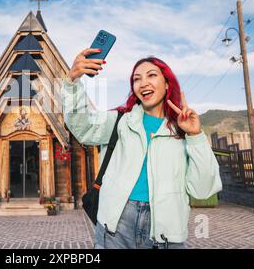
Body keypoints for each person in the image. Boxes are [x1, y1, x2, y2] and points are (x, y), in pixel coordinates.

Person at [61, 49, 222, 249]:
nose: (143, 82)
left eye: (152, 75)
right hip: (116, 226)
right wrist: (72, 82)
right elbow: (81, 126)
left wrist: (196, 136)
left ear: (167, 83)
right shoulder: (120, 121)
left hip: (165, 233)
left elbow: (203, 189)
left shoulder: (185, 132)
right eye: (137, 79)